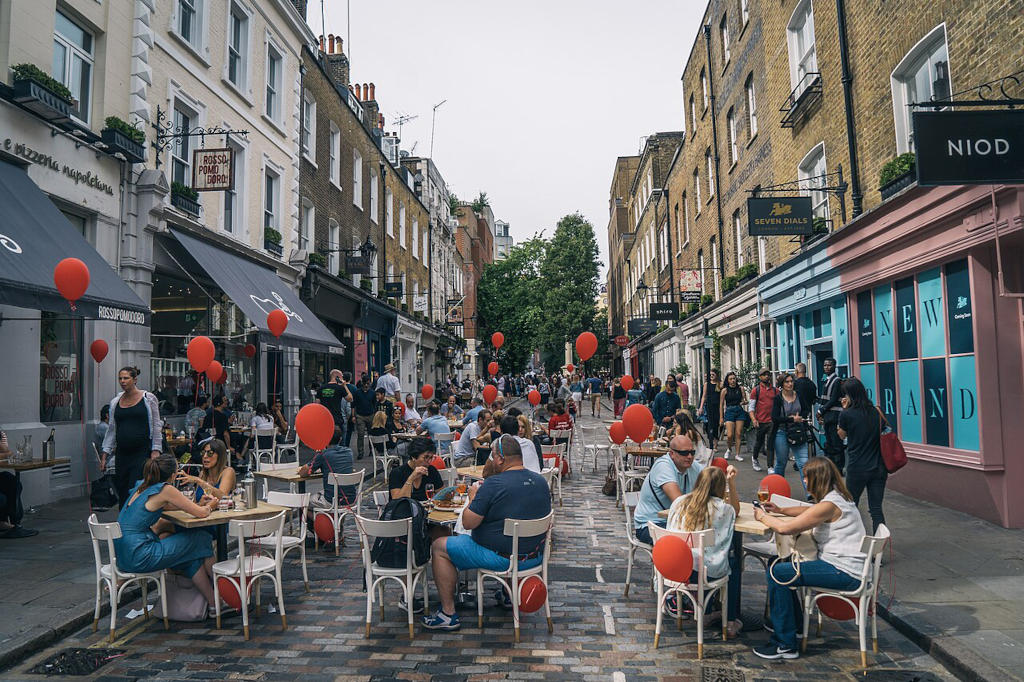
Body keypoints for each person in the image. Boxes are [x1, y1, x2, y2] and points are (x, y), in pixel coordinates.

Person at [422, 435, 551, 631]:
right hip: (534, 557)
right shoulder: (540, 482)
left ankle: (448, 613)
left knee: (439, 546)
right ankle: (508, 595)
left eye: (492, 456)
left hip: (501, 558)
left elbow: (468, 522)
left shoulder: (494, 485)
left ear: (499, 459)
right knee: (508, 536)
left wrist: (473, 497)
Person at [753, 457, 867, 660]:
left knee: (777, 573)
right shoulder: (837, 497)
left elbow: (786, 528)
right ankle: (794, 625)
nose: (804, 481)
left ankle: (785, 644)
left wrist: (763, 517)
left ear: (818, 479)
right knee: (778, 564)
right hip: (843, 566)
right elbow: (809, 510)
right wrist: (780, 510)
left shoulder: (830, 504)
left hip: (843, 571)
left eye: (807, 477)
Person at [114, 453, 218, 613]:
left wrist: (196, 504)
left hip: (123, 557)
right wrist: (211, 505)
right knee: (201, 537)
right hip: (140, 555)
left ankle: (215, 604)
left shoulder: (141, 485)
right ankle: (223, 587)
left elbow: (167, 506)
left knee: (186, 554)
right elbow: (202, 514)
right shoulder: (165, 489)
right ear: (173, 474)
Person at [664, 465, 741, 636]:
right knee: (733, 563)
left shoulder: (679, 502)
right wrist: (732, 483)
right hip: (703, 573)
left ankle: (706, 612)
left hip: (675, 569)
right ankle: (730, 620)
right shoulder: (724, 509)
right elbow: (736, 510)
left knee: (702, 557)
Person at [102, 367, 163, 509]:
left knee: (136, 487)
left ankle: (136, 520)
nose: (123, 381)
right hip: (122, 453)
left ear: (135, 380)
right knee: (122, 488)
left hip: (141, 452)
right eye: (120, 378)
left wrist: (156, 450)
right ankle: (123, 522)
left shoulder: (148, 399)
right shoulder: (115, 402)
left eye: (126, 378)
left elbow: (156, 425)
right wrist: (105, 454)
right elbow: (111, 429)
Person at [633, 435, 706, 544]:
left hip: (678, 522)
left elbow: (714, 482)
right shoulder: (663, 466)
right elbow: (679, 502)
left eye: (692, 452)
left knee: (724, 531)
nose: (690, 456)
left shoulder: (693, 466)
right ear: (672, 454)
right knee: (684, 543)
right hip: (652, 524)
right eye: (684, 453)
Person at [838, 377, 888, 532]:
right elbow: (884, 429)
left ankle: (852, 541)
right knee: (876, 509)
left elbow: (841, 435)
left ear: (849, 395)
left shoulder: (847, 414)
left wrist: (845, 410)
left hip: (857, 467)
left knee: (851, 507)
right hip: (878, 467)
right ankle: (878, 549)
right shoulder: (876, 411)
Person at [771, 373, 812, 497]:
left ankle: (810, 492)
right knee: (781, 462)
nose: (790, 384)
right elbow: (775, 417)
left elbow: (806, 409)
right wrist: (791, 419)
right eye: (787, 382)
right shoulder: (778, 399)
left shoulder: (799, 395)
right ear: (782, 384)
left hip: (798, 431)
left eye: (791, 381)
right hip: (782, 432)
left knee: (803, 462)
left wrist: (801, 417)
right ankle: (778, 491)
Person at [299, 426, 356, 511]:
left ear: (325, 439)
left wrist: (318, 455)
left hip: (331, 501)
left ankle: (315, 524)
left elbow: (303, 473)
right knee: (323, 493)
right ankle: (337, 523)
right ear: (340, 439)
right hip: (351, 499)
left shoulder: (323, 455)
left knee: (304, 502)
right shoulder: (349, 452)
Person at [389, 437, 444, 503]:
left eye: (431, 457)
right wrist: (411, 478)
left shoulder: (431, 470)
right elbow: (398, 502)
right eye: (425, 457)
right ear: (414, 457)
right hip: (405, 511)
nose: (429, 461)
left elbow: (442, 496)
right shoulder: (397, 473)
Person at [817, 358, 845, 474]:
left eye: (829, 365)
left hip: (834, 417)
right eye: (825, 365)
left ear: (834, 366)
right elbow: (825, 399)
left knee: (836, 443)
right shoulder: (827, 380)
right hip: (828, 417)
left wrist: (821, 411)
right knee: (829, 444)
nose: (826, 367)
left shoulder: (837, 380)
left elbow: (833, 399)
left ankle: (838, 468)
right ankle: (831, 466)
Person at [749, 368, 779, 473]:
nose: (767, 376)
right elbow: (751, 408)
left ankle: (770, 466)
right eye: (764, 375)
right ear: (760, 377)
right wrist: (754, 419)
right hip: (761, 421)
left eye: (768, 374)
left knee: (770, 443)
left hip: (772, 421)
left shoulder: (775, 390)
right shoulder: (756, 390)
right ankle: (755, 458)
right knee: (759, 442)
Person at [719, 372, 747, 462]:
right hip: (729, 411)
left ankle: (737, 454)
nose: (733, 380)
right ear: (727, 380)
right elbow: (721, 404)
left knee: (738, 433)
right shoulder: (725, 390)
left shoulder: (740, 388)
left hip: (739, 410)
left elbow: (745, 400)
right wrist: (721, 417)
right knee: (730, 434)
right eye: (730, 379)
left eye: (734, 378)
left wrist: (744, 402)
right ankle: (729, 448)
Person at [347, 375, 375, 459]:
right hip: (360, 415)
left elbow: (375, 405)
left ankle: (372, 450)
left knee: (372, 434)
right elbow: (353, 405)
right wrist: (353, 416)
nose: (366, 385)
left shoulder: (372, 393)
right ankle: (360, 452)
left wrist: (375, 415)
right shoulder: (357, 392)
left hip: (370, 415)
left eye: (368, 383)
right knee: (360, 434)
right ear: (362, 383)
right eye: (365, 383)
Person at [698, 370, 722, 450]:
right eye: (710, 374)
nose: (711, 376)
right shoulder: (706, 384)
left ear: (716, 375)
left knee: (716, 425)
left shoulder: (720, 384)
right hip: (709, 406)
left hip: (718, 407)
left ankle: (715, 443)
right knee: (708, 425)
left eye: (713, 374)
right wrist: (701, 407)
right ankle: (711, 441)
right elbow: (704, 396)